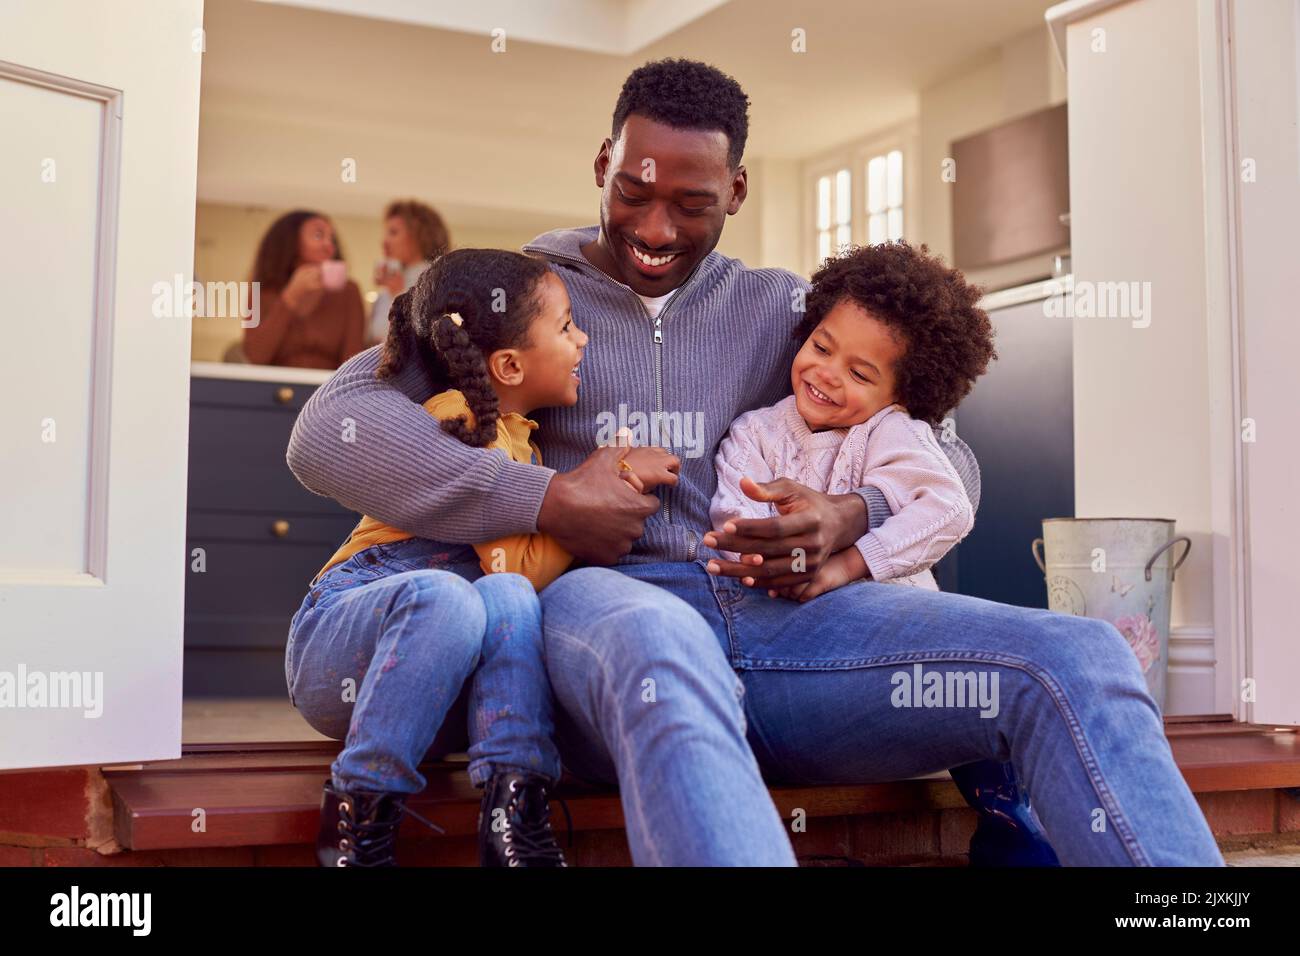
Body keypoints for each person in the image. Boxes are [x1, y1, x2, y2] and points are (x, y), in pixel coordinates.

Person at [286, 58, 1224, 866]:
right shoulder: (515, 294)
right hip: (601, 610)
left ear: (736, 193)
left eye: (691, 205)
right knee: (666, 646)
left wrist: (850, 515)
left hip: (797, 624)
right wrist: (547, 498)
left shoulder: (784, 312)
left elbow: (947, 458)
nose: (655, 229)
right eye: (633, 194)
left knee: (1080, 653)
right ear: (603, 165)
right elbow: (329, 431)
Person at [286, 248, 665, 867]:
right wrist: (605, 489)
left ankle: (513, 808)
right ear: (510, 364)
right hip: (342, 648)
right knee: (454, 595)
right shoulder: (464, 424)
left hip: (425, 692)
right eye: (567, 326)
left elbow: (512, 579)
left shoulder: (522, 441)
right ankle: (357, 820)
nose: (584, 338)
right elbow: (512, 561)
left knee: (507, 599)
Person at [243, 210, 365, 369]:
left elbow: (352, 364)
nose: (329, 246)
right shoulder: (262, 290)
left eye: (331, 239)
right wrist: (289, 298)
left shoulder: (349, 292)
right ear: (290, 242)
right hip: (273, 388)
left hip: (329, 389)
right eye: (318, 235)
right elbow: (255, 357)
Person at [366, 199, 450, 346]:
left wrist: (397, 293)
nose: (384, 242)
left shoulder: (439, 281)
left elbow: (425, 338)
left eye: (393, 232)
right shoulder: (388, 286)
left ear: (419, 235)